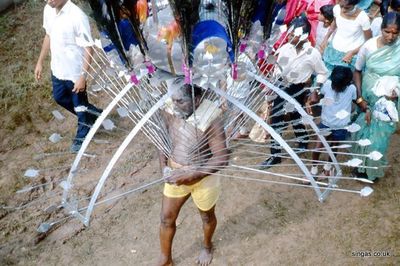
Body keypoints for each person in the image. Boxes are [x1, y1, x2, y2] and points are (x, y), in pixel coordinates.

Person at [158, 83, 229, 266]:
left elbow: (221, 157)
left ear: (197, 100)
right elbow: (162, 140)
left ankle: (207, 246)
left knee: (206, 217)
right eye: (173, 100)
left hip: (203, 178)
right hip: (174, 175)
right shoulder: (169, 110)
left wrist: (193, 175)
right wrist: (164, 167)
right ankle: (165, 259)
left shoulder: (212, 119)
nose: (175, 105)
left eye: (180, 101)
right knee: (166, 218)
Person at [260, 16, 329, 168]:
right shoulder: (285, 48)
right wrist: (271, 89)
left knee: (295, 115)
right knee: (276, 119)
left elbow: (323, 73)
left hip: (298, 89)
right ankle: (275, 155)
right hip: (280, 86)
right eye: (290, 34)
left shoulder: (313, 54)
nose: (289, 36)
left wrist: (315, 90)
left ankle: (303, 139)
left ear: (304, 36)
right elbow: (277, 69)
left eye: (293, 34)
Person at [34, 0, 102, 153]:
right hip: (57, 68)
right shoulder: (48, 10)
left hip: (74, 73)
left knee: (79, 105)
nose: (48, 0)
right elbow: (48, 36)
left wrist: (83, 76)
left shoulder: (77, 16)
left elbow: (88, 48)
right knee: (59, 98)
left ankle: (83, 132)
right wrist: (40, 62)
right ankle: (93, 114)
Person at [351, 11, 400, 180]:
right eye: (387, 31)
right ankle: (359, 167)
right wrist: (359, 98)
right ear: (381, 28)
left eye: (395, 32)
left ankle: (372, 169)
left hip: (388, 100)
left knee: (379, 137)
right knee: (362, 131)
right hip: (367, 95)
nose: (391, 36)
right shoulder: (369, 46)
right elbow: (357, 71)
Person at [308, 66, 357, 176]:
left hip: (341, 126)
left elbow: (354, 102)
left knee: (333, 148)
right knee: (317, 147)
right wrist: (314, 94)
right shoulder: (327, 85)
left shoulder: (352, 89)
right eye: (335, 85)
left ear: (347, 84)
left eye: (339, 87)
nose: (336, 88)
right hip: (325, 123)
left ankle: (327, 168)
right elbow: (319, 95)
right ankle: (313, 169)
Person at [321, 0, 372, 72]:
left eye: (347, 8)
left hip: (351, 55)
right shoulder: (336, 9)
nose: (342, 10)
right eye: (341, 6)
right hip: (334, 50)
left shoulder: (363, 18)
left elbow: (369, 41)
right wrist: (326, 38)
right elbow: (334, 24)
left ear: (354, 4)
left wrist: (352, 53)